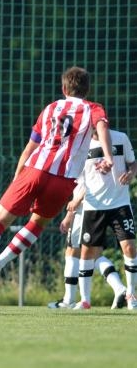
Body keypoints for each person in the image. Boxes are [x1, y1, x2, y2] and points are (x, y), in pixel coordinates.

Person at [0, 66, 114, 289]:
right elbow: (101, 126)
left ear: (64, 88)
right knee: (37, 223)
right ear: (88, 89)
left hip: (35, 170)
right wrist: (108, 156)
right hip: (63, 181)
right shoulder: (92, 108)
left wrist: (18, 178)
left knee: (0, 220)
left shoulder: (51, 108)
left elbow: (29, 148)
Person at [49, 129, 136, 310]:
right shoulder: (81, 147)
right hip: (93, 207)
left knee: (129, 248)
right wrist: (73, 207)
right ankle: (85, 300)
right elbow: (82, 182)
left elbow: (133, 163)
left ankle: (131, 295)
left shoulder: (121, 138)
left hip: (120, 204)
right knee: (87, 254)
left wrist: (131, 173)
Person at [48, 182, 127, 309]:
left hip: (84, 208)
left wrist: (71, 211)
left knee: (72, 251)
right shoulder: (104, 162)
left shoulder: (85, 161)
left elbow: (87, 182)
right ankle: (120, 289)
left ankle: (69, 300)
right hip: (102, 206)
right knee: (94, 255)